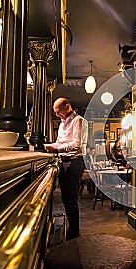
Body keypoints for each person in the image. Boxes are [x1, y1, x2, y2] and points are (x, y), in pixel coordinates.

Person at [45, 98, 88, 240]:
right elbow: (59, 142)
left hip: (74, 162)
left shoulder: (78, 121)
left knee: (71, 199)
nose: (57, 115)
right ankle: (72, 228)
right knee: (65, 198)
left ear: (67, 106)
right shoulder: (63, 123)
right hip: (64, 162)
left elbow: (77, 144)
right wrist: (49, 145)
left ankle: (74, 232)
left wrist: (55, 148)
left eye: (58, 112)